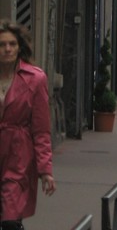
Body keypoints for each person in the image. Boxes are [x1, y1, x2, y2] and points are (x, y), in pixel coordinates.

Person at [0, 19, 56, 230]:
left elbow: (41, 129)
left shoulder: (35, 78)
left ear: (19, 47)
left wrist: (45, 170)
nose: (7, 49)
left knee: (10, 220)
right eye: (2, 44)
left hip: (18, 158)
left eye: (12, 44)